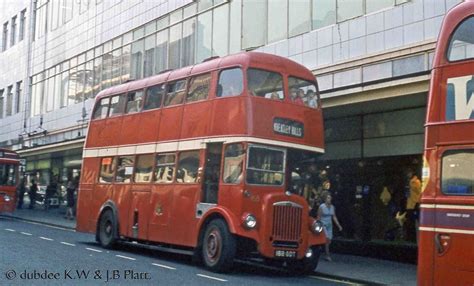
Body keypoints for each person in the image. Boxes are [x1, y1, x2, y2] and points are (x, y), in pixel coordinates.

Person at [318, 192, 342, 261]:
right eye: (328, 198)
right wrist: (318, 226)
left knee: (329, 240)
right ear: (325, 199)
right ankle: (327, 255)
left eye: (330, 198)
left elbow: (334, 217)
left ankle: (324, 250)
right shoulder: (321, 207)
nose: (329, 199)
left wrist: (338, 225)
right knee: (327, 239)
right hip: (323, 225)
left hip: (329, 225)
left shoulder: (332, 207)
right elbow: (319, 217)